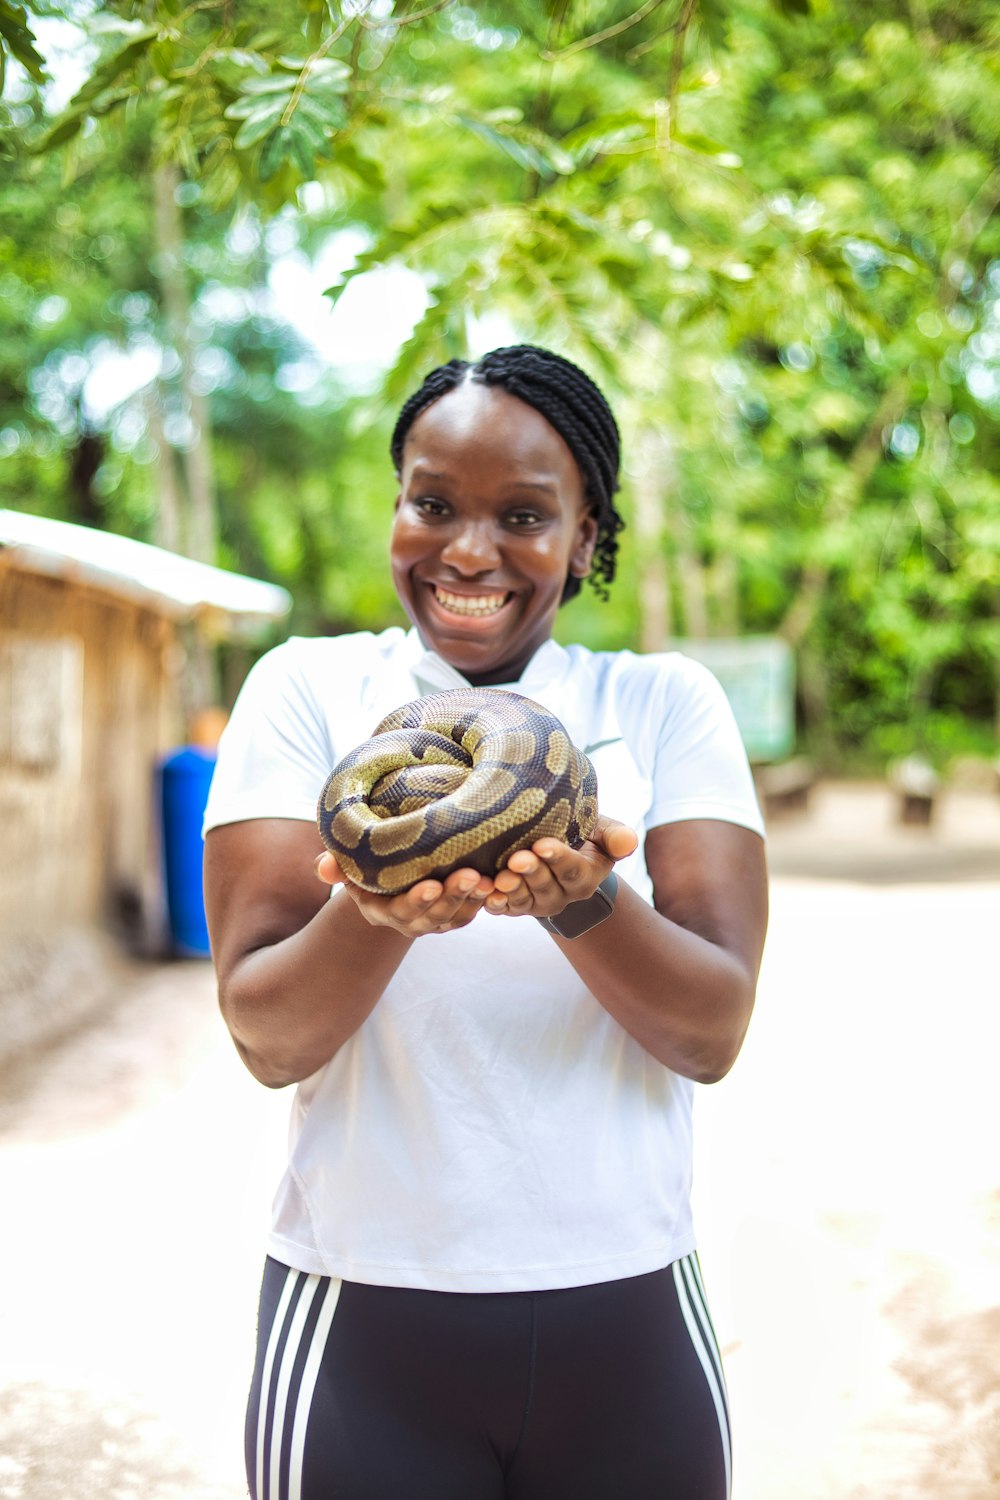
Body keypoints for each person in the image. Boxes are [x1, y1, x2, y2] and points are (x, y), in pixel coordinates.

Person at [203, 344, 768, 1500]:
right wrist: (382, 913)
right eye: (432, 504)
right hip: (365, 1317)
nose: (467, 551)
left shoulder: (658, 703)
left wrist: (585, 902)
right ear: (397, 509)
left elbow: (711, 1032)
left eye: (522, 514)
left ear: (587, 537)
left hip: (628, 1311)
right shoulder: (309, 690)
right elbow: (267, 1036)